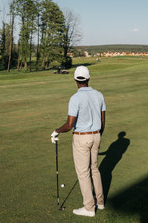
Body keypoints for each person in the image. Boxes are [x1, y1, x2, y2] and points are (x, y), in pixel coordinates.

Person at [51, 66, 106, 217]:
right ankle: (100, 202)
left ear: (75, 79)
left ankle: (89, 208)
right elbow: (102, 121)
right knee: (94, 169)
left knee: (83, 173)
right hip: (96, 135)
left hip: (82, 137)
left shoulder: (75, 98)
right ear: (88, 78)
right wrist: (97, 136)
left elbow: (69, 125)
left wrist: (56, 131)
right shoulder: (99, 95)